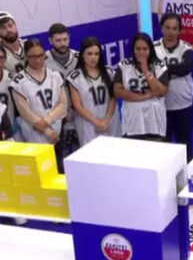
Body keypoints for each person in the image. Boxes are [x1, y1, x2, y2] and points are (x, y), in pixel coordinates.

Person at [9, 39, 67, 165]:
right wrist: (47, 130)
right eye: (33, 56)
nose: (38, 60)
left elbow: (63, 103)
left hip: (56, 129)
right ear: (26, 56)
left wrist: (47, 121)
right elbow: (24, 112)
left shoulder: (55, 76)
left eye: (41, 55)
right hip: (34, 132)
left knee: (59, 167)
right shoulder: (18, 81)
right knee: (40, 167)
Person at [154, 13, 193, 161]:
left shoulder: (185, 47)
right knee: (164, 143)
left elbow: (186, 67)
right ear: (161, 28)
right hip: (160, 104)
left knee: (185, 142)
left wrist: (163, 69)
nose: (170, 32)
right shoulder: (153, 48)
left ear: (179, 30)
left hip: (183, 103)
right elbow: (151, 69)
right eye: (167, 28)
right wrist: (173, 70)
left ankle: (188, 170)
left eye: (174, 28)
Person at [113, 32, 168, 140]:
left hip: (154, 121)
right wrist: (145, 96)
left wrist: (146, 72)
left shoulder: (159, 66)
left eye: (145, 49)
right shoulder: (124, 65)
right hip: (132, 121)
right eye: (138, 49)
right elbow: (117, 91)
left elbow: (162, 91)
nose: (141, 52)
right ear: (133, 50)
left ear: (150, 49)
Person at [67, 37, 120, 146]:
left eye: (96, 54)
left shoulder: (109, 73)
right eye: (89, 54)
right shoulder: (75, 78)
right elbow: (77, 106)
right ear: (82, 54)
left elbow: (113, 98)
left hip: (110, 121)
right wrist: (96, 122)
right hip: (88, 124)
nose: (93, 57)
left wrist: (106, 120)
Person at [44, 23, 79, 155]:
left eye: (65, 39)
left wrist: (74, 107)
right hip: (56, 115)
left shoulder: (78, 57)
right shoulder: (44, 60)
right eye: (58, 40)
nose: (62, 43)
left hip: (79, 111)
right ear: (50, 40)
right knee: (60, 155)